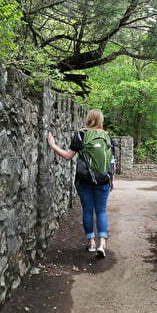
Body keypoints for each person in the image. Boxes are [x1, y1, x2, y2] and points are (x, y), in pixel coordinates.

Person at [47, 109, 115, 258]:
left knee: (87, 211)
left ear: (88, 119)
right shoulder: (107, 137)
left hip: (83, 180)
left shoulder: (80, 135)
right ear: (101, 121)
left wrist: (53, 145)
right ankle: (102, 243)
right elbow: (111, 162)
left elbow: (67, 156)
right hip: (103, 181)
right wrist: (111, 181)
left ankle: (91, 243)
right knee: (101, 211)